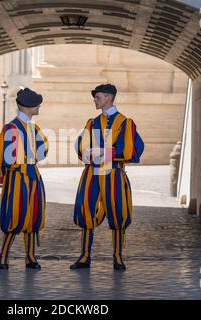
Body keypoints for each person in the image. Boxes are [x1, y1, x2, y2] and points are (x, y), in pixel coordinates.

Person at [71, 84, 140, 271]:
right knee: (86, 212)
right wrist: (88, 152)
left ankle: (118, 257)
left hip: (114, 174)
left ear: (109, 98)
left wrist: (101, 152)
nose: (95, 100)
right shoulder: (92, 123)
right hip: (92, 174)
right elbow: (81, 146)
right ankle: (84, 257)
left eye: (98, 97)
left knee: (118, 213)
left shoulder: (125, 123)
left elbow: (131, 150)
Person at [0, 88, 48, 270]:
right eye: (36, 104)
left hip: (32, 176)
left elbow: (43, 151)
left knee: (32, 217)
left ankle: (30, 257)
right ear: (29, 107)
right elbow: (4, 158)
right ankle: (3, 256)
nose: (39, 107)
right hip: (17, 179)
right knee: (14, 217)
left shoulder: (33, 128)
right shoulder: (11, 128)